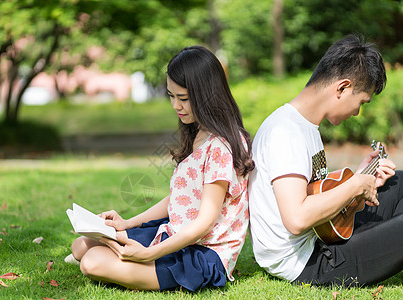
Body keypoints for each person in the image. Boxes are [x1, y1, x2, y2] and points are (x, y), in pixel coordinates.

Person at [66, 45, 255, 291]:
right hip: (176, 234)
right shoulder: (198, 132)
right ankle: (122, 253)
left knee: (91, 262)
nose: (176, 106)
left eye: (184, 98)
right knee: (81, 245)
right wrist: (127, 223)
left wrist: (149, 253)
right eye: (171, 96)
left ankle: (125, 259)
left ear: (207, 94)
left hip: (202, 254)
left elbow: (205, 222)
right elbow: (181, 199)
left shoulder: (221, 146)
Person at [248, 34, 402, 287]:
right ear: (342, 88)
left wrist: (362, 175)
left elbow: (314, 193)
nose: (358, 112)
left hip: (323, 234)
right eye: (361, 102)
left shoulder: (303, 125)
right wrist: (355, 186)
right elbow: (296, 219)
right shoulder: (285, 133)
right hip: (310, 261)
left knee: (399, 183)